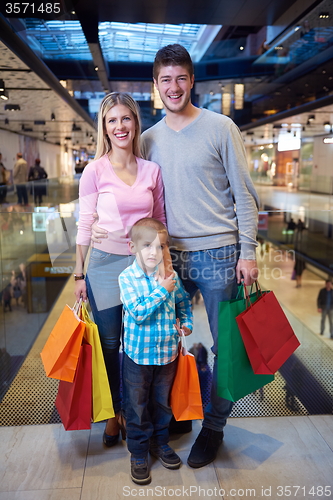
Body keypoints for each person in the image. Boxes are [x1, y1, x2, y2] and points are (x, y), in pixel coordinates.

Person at [92, 44, 259, 469]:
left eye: (180, 77)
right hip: (165, 258)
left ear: (192, 81)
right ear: (154, 86)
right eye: (165, 79)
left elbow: (244, 195)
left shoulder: (221, 127)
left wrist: (248, 251)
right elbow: (136, 193)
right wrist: (102, 226)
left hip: (217, 254)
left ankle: (214, 428)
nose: (173, 86)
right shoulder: (148, 139)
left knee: (225, 347)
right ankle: (168, 417)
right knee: (158, 340)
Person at [74, 92, 167, 449]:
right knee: (112, 344)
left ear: (135, 122)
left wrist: (164, 266)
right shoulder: (94, 171)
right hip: (104, 266)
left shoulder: (151, 171)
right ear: (104, 127)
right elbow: (84, 226)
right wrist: (79, 275)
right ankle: (116, 415)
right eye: (112, 120)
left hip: (144, 266)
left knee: (140, 344)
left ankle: (139, 415)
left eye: (125, 118)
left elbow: (160, 222)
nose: (119, 126)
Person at [119, 217, 193, 484]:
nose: (154, 252)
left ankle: (160, 442)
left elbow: (184, 302)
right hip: (138, 358)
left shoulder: (171, 277)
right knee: (137, 406)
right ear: (132, 247)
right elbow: (138, 313)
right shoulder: (127, 278)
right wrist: (162, 290)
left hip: (167, 355)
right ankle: (138, 451)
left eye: (161, 246)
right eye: (147, 245)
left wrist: (186, 323)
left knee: (162, 403)